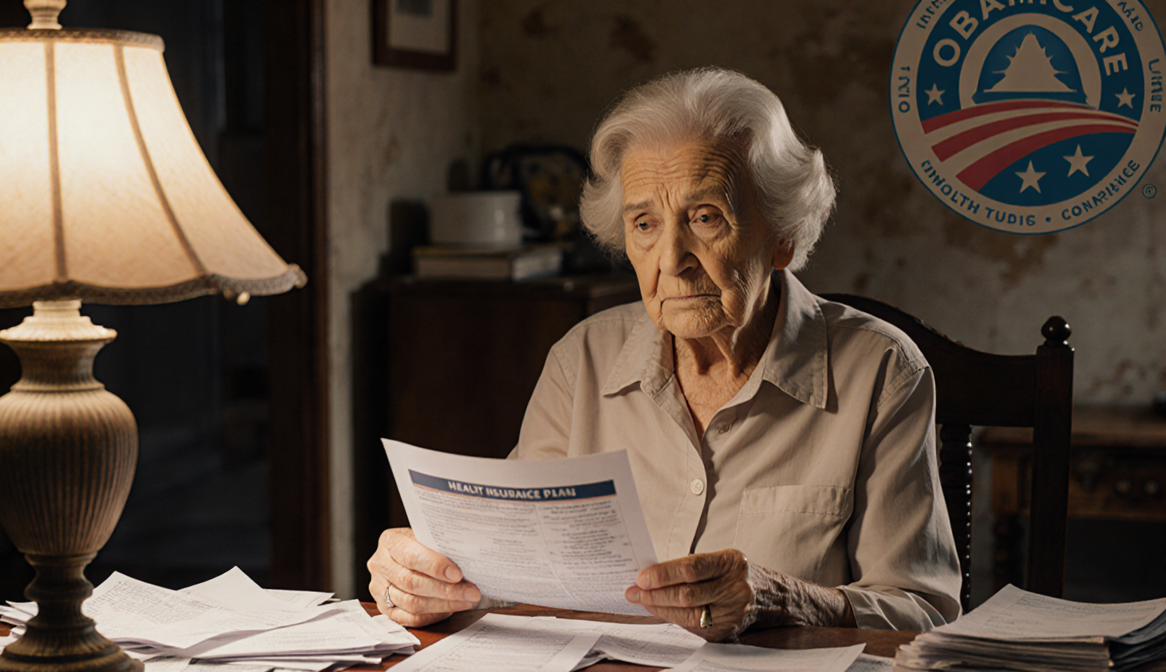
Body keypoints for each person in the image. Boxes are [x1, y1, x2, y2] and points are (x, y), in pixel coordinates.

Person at [368, 67, 962, 640]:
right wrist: (424, 579)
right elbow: (515, 571)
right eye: (645, 224)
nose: (671, 258)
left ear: (782, 234)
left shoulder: (883, 372)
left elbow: (923, 611)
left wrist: (789, 600)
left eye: (705, 217)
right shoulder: (583, 360)